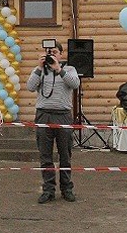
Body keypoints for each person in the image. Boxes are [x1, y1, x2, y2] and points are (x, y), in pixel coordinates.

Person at [26, 41, 80, 204]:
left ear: (61, 54)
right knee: (45, 154)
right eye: (49, 52)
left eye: (55, 52)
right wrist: (39, 68)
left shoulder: (69, 69)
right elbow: (30, 86)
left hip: (63, 116)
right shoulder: (40, 70)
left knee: (65, 154)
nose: (52, 55)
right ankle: (48, 190)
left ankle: (67, 189)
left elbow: (75, 84)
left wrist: (58, 69)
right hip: (44, 115)